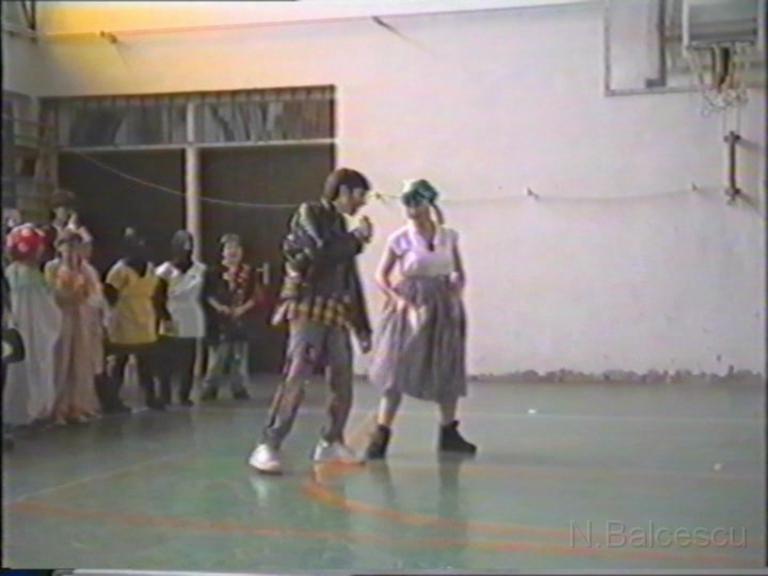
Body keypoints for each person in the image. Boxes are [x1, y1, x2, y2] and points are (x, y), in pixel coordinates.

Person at [249, 168, 374, 474]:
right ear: (343, 191)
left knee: (342, 378)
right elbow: (320, 251)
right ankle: (268, 443)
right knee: (298, 373)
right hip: (307, 305)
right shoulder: (310, 213)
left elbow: (349, 278)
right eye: (359, 195)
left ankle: (331, 440)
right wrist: (356, 239)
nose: (361, 203)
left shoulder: (342, 227)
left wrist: (362, 325)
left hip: (335, 309)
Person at [365, 179, 476, 459]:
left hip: (443, 305)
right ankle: (381, 434)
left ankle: (449, 432)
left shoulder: (448, 236)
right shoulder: (400, 238)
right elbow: (381, 275)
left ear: (428, 203)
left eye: (416, 201)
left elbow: (458, 271)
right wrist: (398, 299)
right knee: (397, 366)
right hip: (410, 304)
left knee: (446, 364)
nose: (410, 208)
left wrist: (456, 289)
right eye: (407, 202)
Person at [103, 228, 170, 412]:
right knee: (120, 361)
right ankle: (112, 400)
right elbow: (109, 295)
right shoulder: (119, 270)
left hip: (145, 317)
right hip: (124, 318)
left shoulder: (151, 268)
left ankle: (150, 397)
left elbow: (156, 294)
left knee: (146, 362)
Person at [3, 224, 63, 427]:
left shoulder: (9, 272)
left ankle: (14, 411)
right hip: (34, 332)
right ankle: (32, 409)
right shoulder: (33, 276)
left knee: (14, 371)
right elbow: (47, 310)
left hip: (13, 329)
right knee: (34, 368)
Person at [44, 229, 101, 425]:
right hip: (61, 316)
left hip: (81, 317)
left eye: (75, 246)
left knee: (80, 361)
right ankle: (58, 407)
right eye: (67, 246)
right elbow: (50, 291)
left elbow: (95, 294)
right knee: (61, 361)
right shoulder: (52, 267)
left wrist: (85, 297)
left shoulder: (86, 270)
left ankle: (78, 405)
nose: (71, 250)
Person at [200, 234, 263, 402]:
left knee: (239, 356)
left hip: (241, 319)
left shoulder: (249, 272)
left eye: (236, 248)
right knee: (218, 357)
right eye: (229, 248)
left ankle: (239, 388)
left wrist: (242, 309)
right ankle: (210, 387)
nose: (233, 252)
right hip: (219, 320)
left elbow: (256, 296)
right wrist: (220, 308)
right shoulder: (213, 272)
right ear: (223, 252)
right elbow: (207, 294)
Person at [156, 230, 206, 407]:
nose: (186, 249)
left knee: (189, 357)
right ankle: (164, 393)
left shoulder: (200, 269)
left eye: (189, 244)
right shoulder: (164, 270)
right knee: (167, 357)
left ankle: (184, 394)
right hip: (171, 313)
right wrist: (164, 317)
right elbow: (158, 297)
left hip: (192, 315)